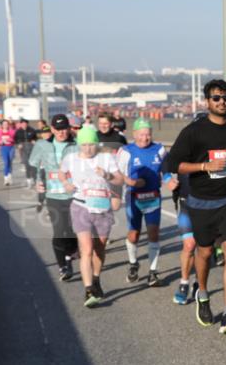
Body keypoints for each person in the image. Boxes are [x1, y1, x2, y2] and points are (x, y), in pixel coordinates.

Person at [167, 79, 226, 334]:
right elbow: (176, 164)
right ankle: (203, 294)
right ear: (207, 101)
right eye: (216, 98)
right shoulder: (194, 131)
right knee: (204, 253)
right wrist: (205, 166)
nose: (222, 102)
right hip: (201, 202)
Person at [60, 126, 126, 307]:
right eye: (84, 144)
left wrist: (107, 175)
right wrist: (65, 182)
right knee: (86, 249)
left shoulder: (106, 158)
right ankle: (88, 289)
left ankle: (96, 279)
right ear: (79, 144)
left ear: (96, 144)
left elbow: (120, 180)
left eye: (91, 144)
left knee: (99, 247)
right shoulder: (71, 158)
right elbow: (61, 171)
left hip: (102, 207)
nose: (88, 148)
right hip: (80, 206)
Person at [116, 118, 166, 287]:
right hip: (133, 198)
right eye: (142, 134)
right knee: (134, 234)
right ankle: (133, 263)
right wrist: (130, 182)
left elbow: (166, 169)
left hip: (153, 197)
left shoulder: (159, 149)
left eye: (148, 134)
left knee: (154, 233)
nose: (145, 138)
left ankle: (153, 272)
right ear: (134, 134)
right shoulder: (126, 151)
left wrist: (168, 179)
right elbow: (117, 174)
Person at [28, 114, 79, 279]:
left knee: (72, 231)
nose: (61, 132)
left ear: (69, 128)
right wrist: (37, 182)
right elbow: (33, 165)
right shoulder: (42, 145)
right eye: (57, 129)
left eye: (64, 128)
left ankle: (70, 254)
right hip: (53, 195)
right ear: (52, 129)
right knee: (59, 231)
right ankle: (63, 266)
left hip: (74, 195)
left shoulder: (76, 145)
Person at [161, 151, 199, 305]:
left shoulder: (215, 147)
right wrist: (168, 178)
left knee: (204, 248)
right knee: (189, 245)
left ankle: (199, 283)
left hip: (209, 206)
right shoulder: (185, 147)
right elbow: (165, 162)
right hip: (186, 203)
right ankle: (184, 283)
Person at [14, 119, 38, 188]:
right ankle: (29, 181)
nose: (24, 125)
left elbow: (36, 138)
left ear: (27, 124)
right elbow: (15, 140)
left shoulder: (32, 130)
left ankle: (35, 179)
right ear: (21, 124)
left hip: (32, 148)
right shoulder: (18, 131)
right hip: (23, 149)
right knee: (27, 165)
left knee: (33, 165)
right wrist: (18, 144)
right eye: (23, 124)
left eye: (25, 124)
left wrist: (34, 141)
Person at [0, 119, 16, 186]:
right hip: (4, 148)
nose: (5, 125)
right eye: (4, 124)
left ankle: (9, 176)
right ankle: (6, 178)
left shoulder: (12, 131)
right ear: (2, 125)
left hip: (11, 148)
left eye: (6, 124)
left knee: (10, 162)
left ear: (8, 125)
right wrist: (0, 142)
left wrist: (8, 139)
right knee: (6, 162)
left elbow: (14, 139)